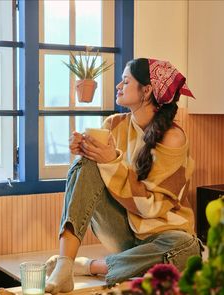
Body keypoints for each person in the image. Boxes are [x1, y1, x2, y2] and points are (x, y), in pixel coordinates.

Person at [45, 58, 203, 294]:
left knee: (187, 247)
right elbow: (89, 180)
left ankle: (91, 266)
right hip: (123, 231)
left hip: (163, 237)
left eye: (126, 81)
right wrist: (82, 151)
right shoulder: (113, 124)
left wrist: (111, 160)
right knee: (86, 164)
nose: (118, 86)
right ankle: (65, 264)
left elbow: (150, 207)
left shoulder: (173, 137)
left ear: (147, 91)